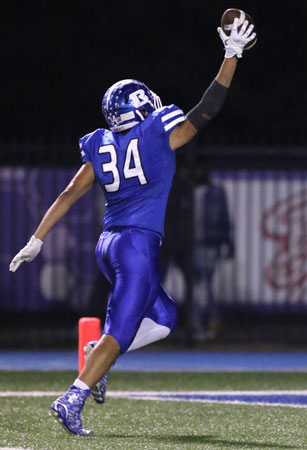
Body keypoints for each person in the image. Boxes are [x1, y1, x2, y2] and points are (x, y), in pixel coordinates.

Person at [9, 19, 256, 436]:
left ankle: (95, 354)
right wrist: (231, 57)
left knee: (164, 318)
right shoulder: (159, 133)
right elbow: (206, 109)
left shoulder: (101, 142)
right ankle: (74, 397)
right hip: (137, 247)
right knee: (120, 333)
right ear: (142, 107)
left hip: (109, 246)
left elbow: (70, 191)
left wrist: (36, 238)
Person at [193, 165, 235, 341]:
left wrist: (228, 242)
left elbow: (225, 218)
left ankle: (202, 323)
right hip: (191, 245)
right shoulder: (187, 191)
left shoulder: (215, 192)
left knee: (203, 285)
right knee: (199, 286)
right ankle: (206, 322)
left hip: (208, 243)